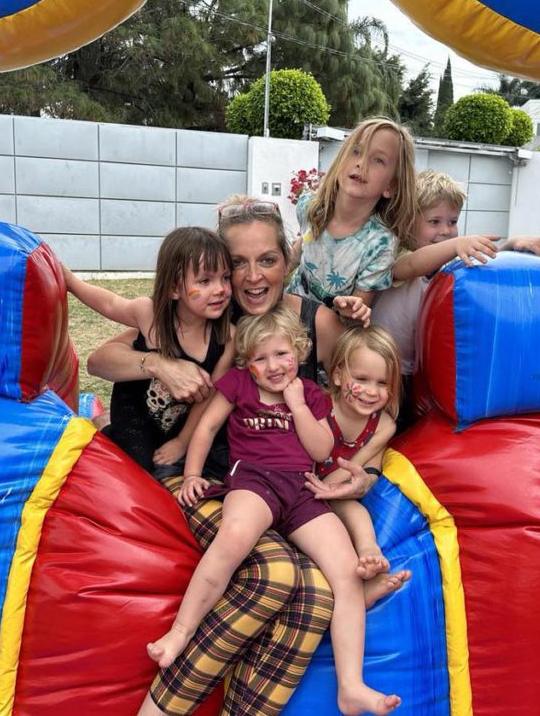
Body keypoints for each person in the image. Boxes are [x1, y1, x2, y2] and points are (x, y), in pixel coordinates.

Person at [90, 200, 382, 716]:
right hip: (207, 479)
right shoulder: (207, 313)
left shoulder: (314, 321)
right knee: (273, 576)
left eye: (266, 260)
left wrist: (366, 468)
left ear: (287, 263)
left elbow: (365, 398)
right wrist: (159, 364)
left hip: (285, 487)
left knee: (316, 596)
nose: (251, 277)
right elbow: (99, 358)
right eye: (238, 263)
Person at [149, 307, 401, 716]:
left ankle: (351, 685)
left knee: (346, 568)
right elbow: (208, 427)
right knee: (233, 538)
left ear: (298, 354)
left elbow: (321, 451)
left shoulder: (310, 394)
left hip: (301, 490)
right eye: (261, 358)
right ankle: (181, 630)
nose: (273, 366)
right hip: (254, 480)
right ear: (248, 363)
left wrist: (298, 405)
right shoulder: (237, 385)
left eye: (282, 354)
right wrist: (192, 472)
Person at [372, 170, 540, 423]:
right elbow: (413, 266)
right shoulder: (396, 256)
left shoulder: (445, 261)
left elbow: (475, 272)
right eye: (434, 222)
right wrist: (457, 246)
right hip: (385, 369)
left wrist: (509, 247)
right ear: (405, 221)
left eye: (453, 221)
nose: (446, 231)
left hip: (419, 371)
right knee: (386, 428)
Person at [64, 227, 233, 477]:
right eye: (205, 281)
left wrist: (182, 443)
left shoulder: (228, 337)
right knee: (137, 471)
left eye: (226, 278)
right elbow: (110, 303)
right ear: (174, 288)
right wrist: (70, 282)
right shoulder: (150, 315)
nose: (221, 289)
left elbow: (209, 398)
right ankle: (109, 432)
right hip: (135, 415)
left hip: (177, 424)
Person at [317, 325, 411, 606]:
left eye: (382, 383)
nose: (371, 392)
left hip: (336, 487)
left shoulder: (383, 425)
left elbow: (352, 469)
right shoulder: (319, 406)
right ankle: (360, 590)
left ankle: (369, 554)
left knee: (354, 511)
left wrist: (342, 490)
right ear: (337, 375)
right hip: (301, 488)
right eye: (361, 379)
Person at [286, 117, 417, 316]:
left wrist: (350, 309)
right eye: (356, 151)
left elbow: (355, 311)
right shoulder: (310, 207)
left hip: (326, 334)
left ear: (391, 186)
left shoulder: (380, 244)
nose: (361, 164)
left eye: (378, 160)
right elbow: (303, 243)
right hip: (285, 316)